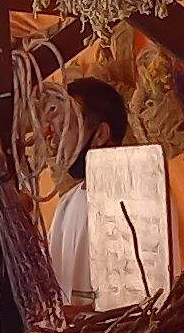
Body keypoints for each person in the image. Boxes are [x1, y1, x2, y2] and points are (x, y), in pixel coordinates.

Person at [42, 75, 131, 305]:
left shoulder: (137, 201)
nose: (56, 141)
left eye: (66, 127)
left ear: (101, 134)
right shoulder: (67, 204)